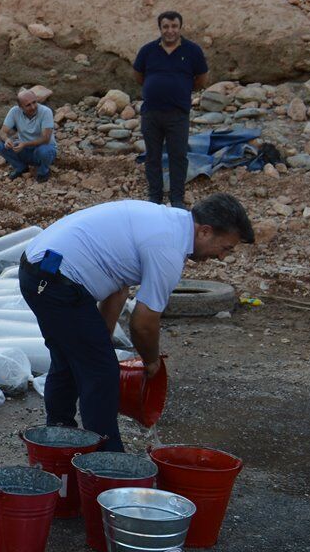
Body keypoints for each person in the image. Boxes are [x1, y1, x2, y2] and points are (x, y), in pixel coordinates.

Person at [19, 193, 252, 452]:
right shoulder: (168, 249)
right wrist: (151, 361)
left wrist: (102, 338)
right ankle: (107, 460)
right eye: (225, 248)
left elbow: (118, 287)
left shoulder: (169, 223)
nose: (222, 257)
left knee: (72, 360)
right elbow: (143, 323)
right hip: (54, 281)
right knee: (101, 374)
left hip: (41, 269)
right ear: (205, 231)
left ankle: (58, 443)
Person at [133, 11, 210, 208]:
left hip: (178, 114)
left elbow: (201, 78)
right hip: (151, 113)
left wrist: (181, 89)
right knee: (152, 156)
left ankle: (177, 198)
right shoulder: (148, 50)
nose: (170, 31)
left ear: (180, 27)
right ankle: (155, 197)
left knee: (178, 157)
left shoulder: (192, 51)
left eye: (174, 26)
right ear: (160, 28)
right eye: (166, 26)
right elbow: (138, 75)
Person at [0, 89, 57, 182]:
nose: (33, 107)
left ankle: (43, 171)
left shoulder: (46, 111)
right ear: (20, 107)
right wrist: (6, 140)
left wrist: (24, 144)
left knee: (44, 151)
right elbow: (2, 132)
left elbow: (46, 139)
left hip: (43, 148)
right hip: (25, 149)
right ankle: (21, 167)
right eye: (28, 105)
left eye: (34, 102)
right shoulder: (14, 111)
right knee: (1, 146)